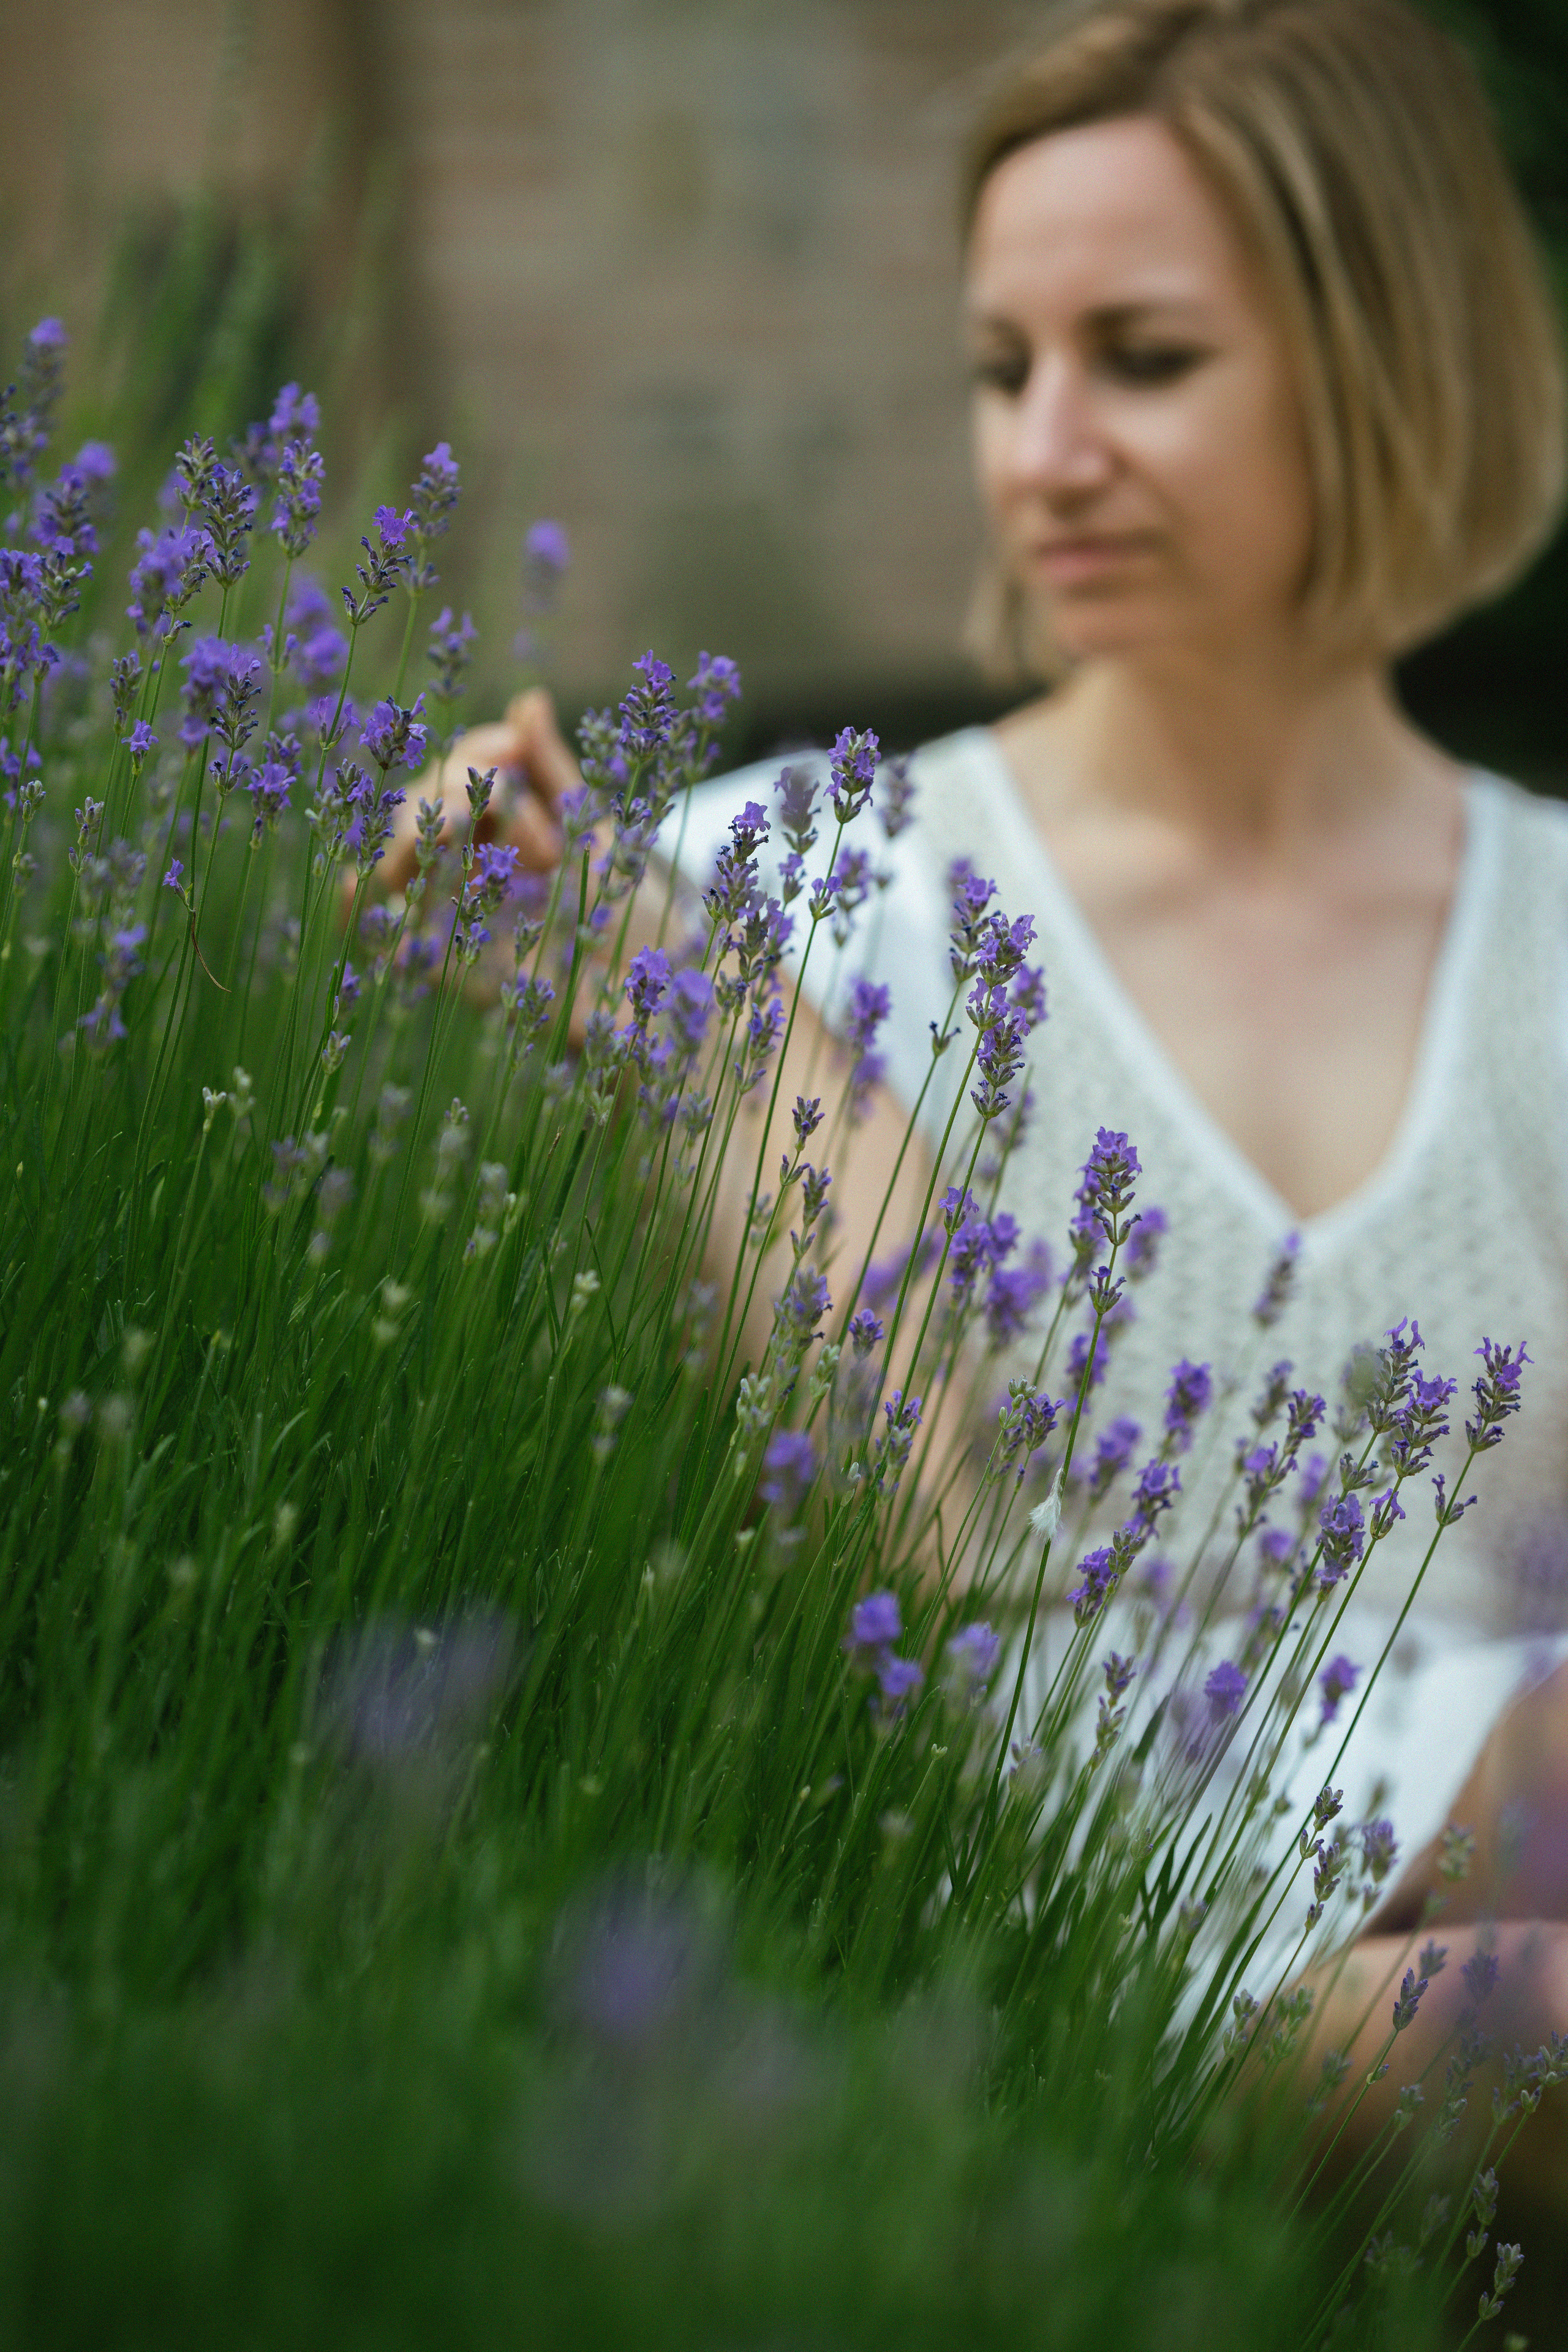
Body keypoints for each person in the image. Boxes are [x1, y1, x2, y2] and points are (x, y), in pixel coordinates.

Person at [379, 0, 1568, 2184]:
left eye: (1146, 359)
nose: (1045, 451)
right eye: (1003, 369)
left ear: (1391, 360)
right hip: (1049, 1883)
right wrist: (706, 1032)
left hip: (1500, 1805)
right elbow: (891, 1546)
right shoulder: (799, 889)